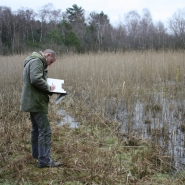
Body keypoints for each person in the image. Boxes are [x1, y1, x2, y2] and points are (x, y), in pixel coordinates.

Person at [20, 49, 62, 168]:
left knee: (37, 129)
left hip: (33, 101)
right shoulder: (37, 62)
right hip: (36, 102)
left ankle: (37, 154)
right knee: (45, 130)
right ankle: (44, 161)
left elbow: (36, 79)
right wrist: (50, 87)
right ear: (47, 55)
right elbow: (36, 79)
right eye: (51, 61)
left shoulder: (33, 61)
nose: (50, 64)